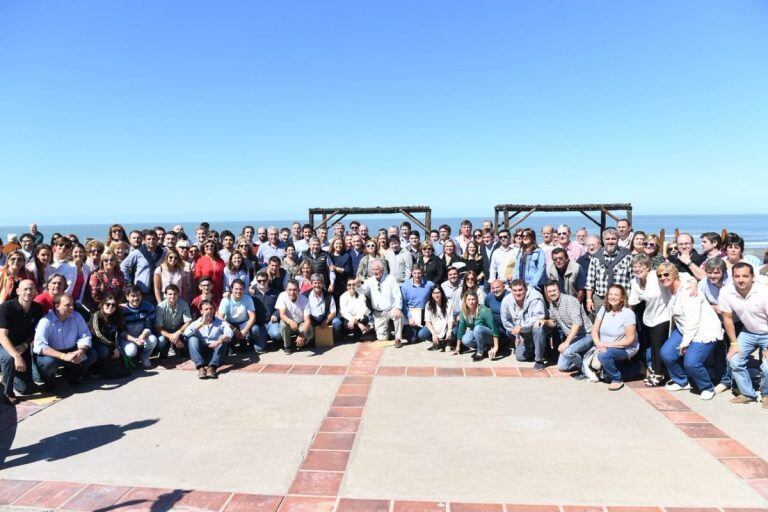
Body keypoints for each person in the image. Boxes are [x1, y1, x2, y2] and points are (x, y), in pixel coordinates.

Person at [658, 262, 723, 400]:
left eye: (666, 274)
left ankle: (707, 387)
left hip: (703, 330)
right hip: (684, 329)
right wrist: (693, 280)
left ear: (674, 275)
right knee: (666, 353)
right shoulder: (670, 288)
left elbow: (693, 320)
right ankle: (681, 381)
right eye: (660, 275)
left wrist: (685, 343)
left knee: (691, 362)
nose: (662, 277)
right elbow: (684, 275)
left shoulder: (688, 290)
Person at [720, 262, 768, 407]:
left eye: (745, 276)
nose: (741, 280)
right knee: (734, 360)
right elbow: (727, 318)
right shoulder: (726, 292)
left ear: (753, 277)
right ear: (732, 277)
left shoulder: (764, 292)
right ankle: (747, 393)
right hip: (748, 332)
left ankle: (766, 394)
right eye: (737, 276)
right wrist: (733, 344)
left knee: (767, 366)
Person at [628, 255, 673, 387]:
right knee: (653, 346)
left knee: (659, 345)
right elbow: (632, 301)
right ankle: (656, 370)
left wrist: (692, 283)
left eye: (641, 266)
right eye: (634, 266)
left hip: (664, 315)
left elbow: (677, 276)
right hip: (649, 317)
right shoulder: (635, 281)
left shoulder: (655, 276)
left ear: (648, 267)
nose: (637, 269)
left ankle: (660, 374)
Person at [33, 293, 96, 387]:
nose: (71, 308)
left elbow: (85, 335)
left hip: (73, 351)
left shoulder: (77, 316)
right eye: (67, 305)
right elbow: (39, 346)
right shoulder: (45, 321)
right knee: (48, 363)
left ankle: (71, 372)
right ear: (57, 306)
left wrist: (81, 351)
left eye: (72, 305)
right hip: (53, 354)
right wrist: (63, 356)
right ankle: (48, 378)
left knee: (92, 355)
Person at [0, 280, 43, 404]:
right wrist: (17, 356)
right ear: (18, 291)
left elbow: (35, 332)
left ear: (35, 291)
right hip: (3, 346)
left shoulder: (37, 308)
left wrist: (25, 345)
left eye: (31, 289)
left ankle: (7, 375)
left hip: (21, 346)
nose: (28, 292)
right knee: (8, 358)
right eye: (25, 289)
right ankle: (7, 392)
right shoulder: (6, 308)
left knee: (26, 389)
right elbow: (2, 336)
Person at [542, 280, 593, 377]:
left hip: (586, 335)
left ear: (559, 290)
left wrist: (567, 342)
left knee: (568, 352)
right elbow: (554, 323)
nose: (552, 293)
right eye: (550, 291)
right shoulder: (552, 304)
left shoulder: (570, 301)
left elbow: (577, 324)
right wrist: (544, 321)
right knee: (562, 367)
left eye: (554, 290)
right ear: (547, 293)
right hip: (574, 338)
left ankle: (584, 370)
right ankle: (585, 358)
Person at [592, 285, 638, 391]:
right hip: (604, 347)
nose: (612, 297)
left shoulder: (628, 313)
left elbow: (629, 340)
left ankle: (617, 379)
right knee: (601, 374)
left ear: (622, 298)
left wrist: (606, 345)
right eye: (610, 294)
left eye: (616, 294)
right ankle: (627, 370)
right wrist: (598, 343)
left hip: (625, 348)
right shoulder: (604, 309)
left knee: (604, 357)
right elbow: (594, 330)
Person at [698, 257, 733, 393]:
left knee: (731, 350)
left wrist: (722, 308)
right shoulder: (703, 283)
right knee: (718, 349)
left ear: (723, 272)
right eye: (710, 272)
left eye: (716, 273)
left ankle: (727, 380)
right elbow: (699, 302)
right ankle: (719, 377)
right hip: (716, 320)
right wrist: (714, 307)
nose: (712, 276)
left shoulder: (730, 283)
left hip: (734, 320)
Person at [501, 279, 547, 370]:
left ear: (525, 289)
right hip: (522, 333)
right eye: (514, 290)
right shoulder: (506, 300)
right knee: (520, 357)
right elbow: (505, 320)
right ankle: (536, 348)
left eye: (520, 290)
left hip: (538, 328)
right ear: (511, 290)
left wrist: (521, 326)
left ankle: (539, 360)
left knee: (538, 326)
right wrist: (516, 334)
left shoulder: (535, 296)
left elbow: (539, 316)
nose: (517, 293)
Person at [585, 228, 633, 315]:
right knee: (600, 326)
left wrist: (631, 301)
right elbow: (590, 281)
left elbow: (633, 279)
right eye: (607, 239)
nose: (610, 241)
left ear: (618, 240)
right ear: (603, 240)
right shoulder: (596, 257)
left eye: (613, 239)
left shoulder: (627, 255)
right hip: (601, 299)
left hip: (622, 299)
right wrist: (588, 299)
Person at [358, 259, 403, 346]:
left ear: (382, 270)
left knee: (398, 315)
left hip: (391, 309)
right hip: (378, 312)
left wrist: (398, 308)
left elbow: (397, 295)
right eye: (373, 270)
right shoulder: (370, 280)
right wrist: (358, 285)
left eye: (377, 269)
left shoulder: (390, 278)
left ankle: (398, 338)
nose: (375, 272)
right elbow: (362, 291)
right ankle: (388, 331)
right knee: (382, 339)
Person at [184, 300, 233, 379]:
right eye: (206, 309)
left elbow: (230, 333)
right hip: (200, 353)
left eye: (211, 309)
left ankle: (212, 367)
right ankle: (201, 367)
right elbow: (186, 334)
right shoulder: (197, 322)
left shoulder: (220, 322)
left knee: (224, 340)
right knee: (192, 339)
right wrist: (201, 324)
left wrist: (219, 341)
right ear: (201, 311)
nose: (209, 311)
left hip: (215, 352)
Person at [217, 279, 261, 353]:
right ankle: (231, 344)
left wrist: (245, 330)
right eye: (236, 289)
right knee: (225, 333)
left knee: (255, 329)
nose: (238, 291)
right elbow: (220, 318)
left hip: (243, 323)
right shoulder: (226, 300)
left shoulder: (248, 299)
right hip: (230, 324)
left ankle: (249, 344)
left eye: (241, 289)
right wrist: (234, 330)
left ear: (243, 289)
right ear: (232, 289)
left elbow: (253, 317)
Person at [120, 229, 165, 302]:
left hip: (158, 288)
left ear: (157, 240)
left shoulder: (163, 253)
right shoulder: (138, 252)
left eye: (154, 239)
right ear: (144, 240)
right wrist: (128, 281)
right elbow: (124, 266)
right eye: (149, 239)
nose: (151, 241)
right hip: (142, 289)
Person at [120, 285, 158, 369]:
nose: (136, 298)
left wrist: (142, 337)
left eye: (138, 295)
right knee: (131, 351)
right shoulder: (121, 309)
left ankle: (144, 357)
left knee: (153, 340)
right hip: (127, 338)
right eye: (132, 296)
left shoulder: (148, 307)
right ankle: (130, 359)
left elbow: (148, 327)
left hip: (141, 335)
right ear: (127, 297)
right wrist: (134, 339)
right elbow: (121, 331)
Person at [455, 291, 499, 361]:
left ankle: (480, 352)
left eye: (473, 299)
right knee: (465, 340)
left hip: (489, 334)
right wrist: (458, 347)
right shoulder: (464, 312)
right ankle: (484, 347)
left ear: (477, 300)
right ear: (465, 301)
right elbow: (461, 330)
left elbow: (494, 329)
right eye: (468, 300)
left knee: (477, 328)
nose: (471, 302)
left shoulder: (484, 310)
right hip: (477, 334)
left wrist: (496, 346)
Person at [154, 284, 193, 358]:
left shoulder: (184, 304)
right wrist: (172, 336)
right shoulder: (160, 307)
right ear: (165, 295)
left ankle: (181, 352)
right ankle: (162, 353)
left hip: (179, 330)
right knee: (161, 341)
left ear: (178, 294)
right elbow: (158, 327)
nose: (172, 296)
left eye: (175, 294)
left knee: (187, 335)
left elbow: (188, 322)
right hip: (166, 332)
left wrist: (178, 333)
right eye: (170, 294)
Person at [88, 293, 125, 372]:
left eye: (113, 305)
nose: (110, 307)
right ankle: (92, 367)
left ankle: (104, 367)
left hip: (107, 343)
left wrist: (117, 347)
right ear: (102, 304)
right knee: (104, 351)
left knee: (120, 350)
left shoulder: (115, 317)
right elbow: (98, 335)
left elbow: (116, 334)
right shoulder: (96, 316)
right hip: (94, 343)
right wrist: (113, 347)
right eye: (107, 304)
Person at [275, 280, 312, 354]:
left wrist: (302, 334)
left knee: (310, 329)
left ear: (299, 289)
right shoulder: (282, 296)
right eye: (290, 290)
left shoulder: (304, 300)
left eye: (295, 290)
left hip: (301, 322)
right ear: (286, 289)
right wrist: (290, 321)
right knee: (283, 325)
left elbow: (307, 321)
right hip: (289, 322)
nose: (292, 292)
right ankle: (287, 346)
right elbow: (282, 314)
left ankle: (302, 343)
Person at [401, 267, 435, 343]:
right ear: (412, 273)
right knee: (413, 340)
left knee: (422, 335)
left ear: (422, 273)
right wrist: (409, 317)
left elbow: (437, 293)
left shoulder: (429, 284)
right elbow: (403, 303)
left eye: (419, 273)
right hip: (412, 313)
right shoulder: (405, 286)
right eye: (415, 273)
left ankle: (425, 332)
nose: (417, 275)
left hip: (424, 313)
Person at [250, 270, 282, 349]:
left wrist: (276, 314)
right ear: (256, 281)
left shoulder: (275, 293)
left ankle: (270, 337)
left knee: (277, 334)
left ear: (268, 281)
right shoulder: (252, 295)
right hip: (259, 324)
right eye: (259, 281)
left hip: (271, 322)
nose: (262, 283)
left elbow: (280, 306)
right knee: (259, 348)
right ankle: (262, 338)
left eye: (264, 280)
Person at [306, 274, 342, 342]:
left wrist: (326, 321)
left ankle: (332, 340)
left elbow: (333, 312)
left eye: (319, 282)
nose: (317, 285)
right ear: (311, 284)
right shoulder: (306, 296)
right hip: (312, 321)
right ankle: (311, 341)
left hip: (325, 320)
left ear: (322, 284)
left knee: (337, 322)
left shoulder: (328, 295)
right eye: (315, 283)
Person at [420, 286, 453, 351]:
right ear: (431, 294)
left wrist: (449, 331)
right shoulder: (428, 305)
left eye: (438, 292)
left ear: (442, 293)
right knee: (422, 334)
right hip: (434, 327)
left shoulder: (448, 303)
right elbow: (427, 321)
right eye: (434, 293)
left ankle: (448, 342)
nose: (436, 295)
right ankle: (437, 341)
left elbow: (450, 319)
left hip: (446, 327)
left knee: (454, 332)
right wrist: (433, 334)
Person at [328, 237, 353, 307]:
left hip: (343, 285)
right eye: (336, 243)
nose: (338, 245)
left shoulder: (346, 256)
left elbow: (348, 270)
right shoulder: (329, 255)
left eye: (340, 243)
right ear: (333, 245)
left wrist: (335, 268)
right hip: (331, 285)